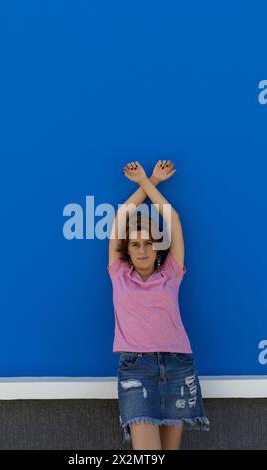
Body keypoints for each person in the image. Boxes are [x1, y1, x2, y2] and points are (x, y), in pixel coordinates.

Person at [107, 160, 210, 450]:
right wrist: (146, 180)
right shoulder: (119, 274)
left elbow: (173, 220)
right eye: (136, 244)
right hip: (136, 369)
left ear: (157, 247)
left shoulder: (171, 275)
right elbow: (121, 216)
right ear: (127, 249)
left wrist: (150, 183)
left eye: (148, 243)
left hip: (178, 364)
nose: (142, 250)